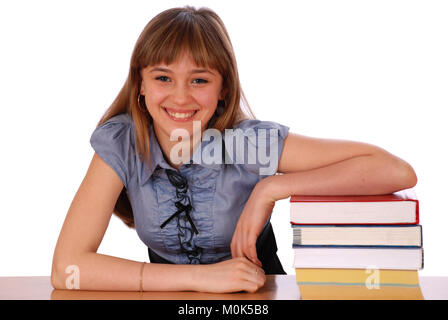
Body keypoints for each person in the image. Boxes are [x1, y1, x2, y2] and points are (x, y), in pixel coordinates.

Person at [51, 6, 417, 294]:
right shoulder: (123, 142)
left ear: (223, 88)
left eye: (199, 80)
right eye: (163, 77)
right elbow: (66, 268)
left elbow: (396, 171)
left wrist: (270, 188)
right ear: (140, 85)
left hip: (254, 299)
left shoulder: (246, 143)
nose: (180, 97)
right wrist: (201, 279)